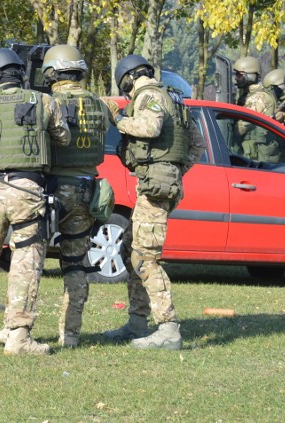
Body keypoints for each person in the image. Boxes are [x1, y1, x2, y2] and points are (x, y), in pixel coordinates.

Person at [0, 48, 71, 355]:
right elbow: (64, 138)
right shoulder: (44, 101)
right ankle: (18, 336)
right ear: (21, 73)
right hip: (28, 190)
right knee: (25, 264)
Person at [102, 54, 204, 350]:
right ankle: (136, 322)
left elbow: (149, 128)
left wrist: (118, 118)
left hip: (155, 188)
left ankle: (168, 329)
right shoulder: (173, 98)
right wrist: (174, 170)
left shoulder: (149, 95)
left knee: (145, 258)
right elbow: (197, 145)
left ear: (127, 78)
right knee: (128, 248)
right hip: (156, 185)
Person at [34, 44, 111, 348]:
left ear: (52, 72)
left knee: (30, 261)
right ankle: (71, 335)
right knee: (76, 264)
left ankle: (20, 329)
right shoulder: (99, 103)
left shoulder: (47, 102)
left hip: (52, 189)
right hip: (87, 190)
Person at [233, 55, 280, 162]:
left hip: (260, 157)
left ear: (249, 76)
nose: (236, 78)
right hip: (253, 152)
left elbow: (240, 128)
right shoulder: (247, 95)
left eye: (239, 75)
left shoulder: (259, 97)